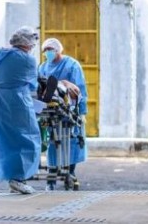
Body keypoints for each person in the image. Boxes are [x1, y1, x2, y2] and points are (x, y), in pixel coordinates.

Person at [0, 26, 41, 194]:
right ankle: (18, 178)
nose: (32, 48)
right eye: (32, 44)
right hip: (18, 103)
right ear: (28, 43)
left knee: (5, 139)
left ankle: (12, 177)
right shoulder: (27, 60)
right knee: (27, 139)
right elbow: (33, 83)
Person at [38, 38, 88, 191]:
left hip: (69, 110)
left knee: (71, 143)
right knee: (53, 144)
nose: (48, 52)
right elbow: (40, 88)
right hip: (50, 110)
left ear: (59, 50)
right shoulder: (42, 68)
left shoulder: (72, 65)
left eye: (51, 49)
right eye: (45, 50)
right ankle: (51, 180)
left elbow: (80, 90)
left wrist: (82, 112)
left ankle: (70, 174)